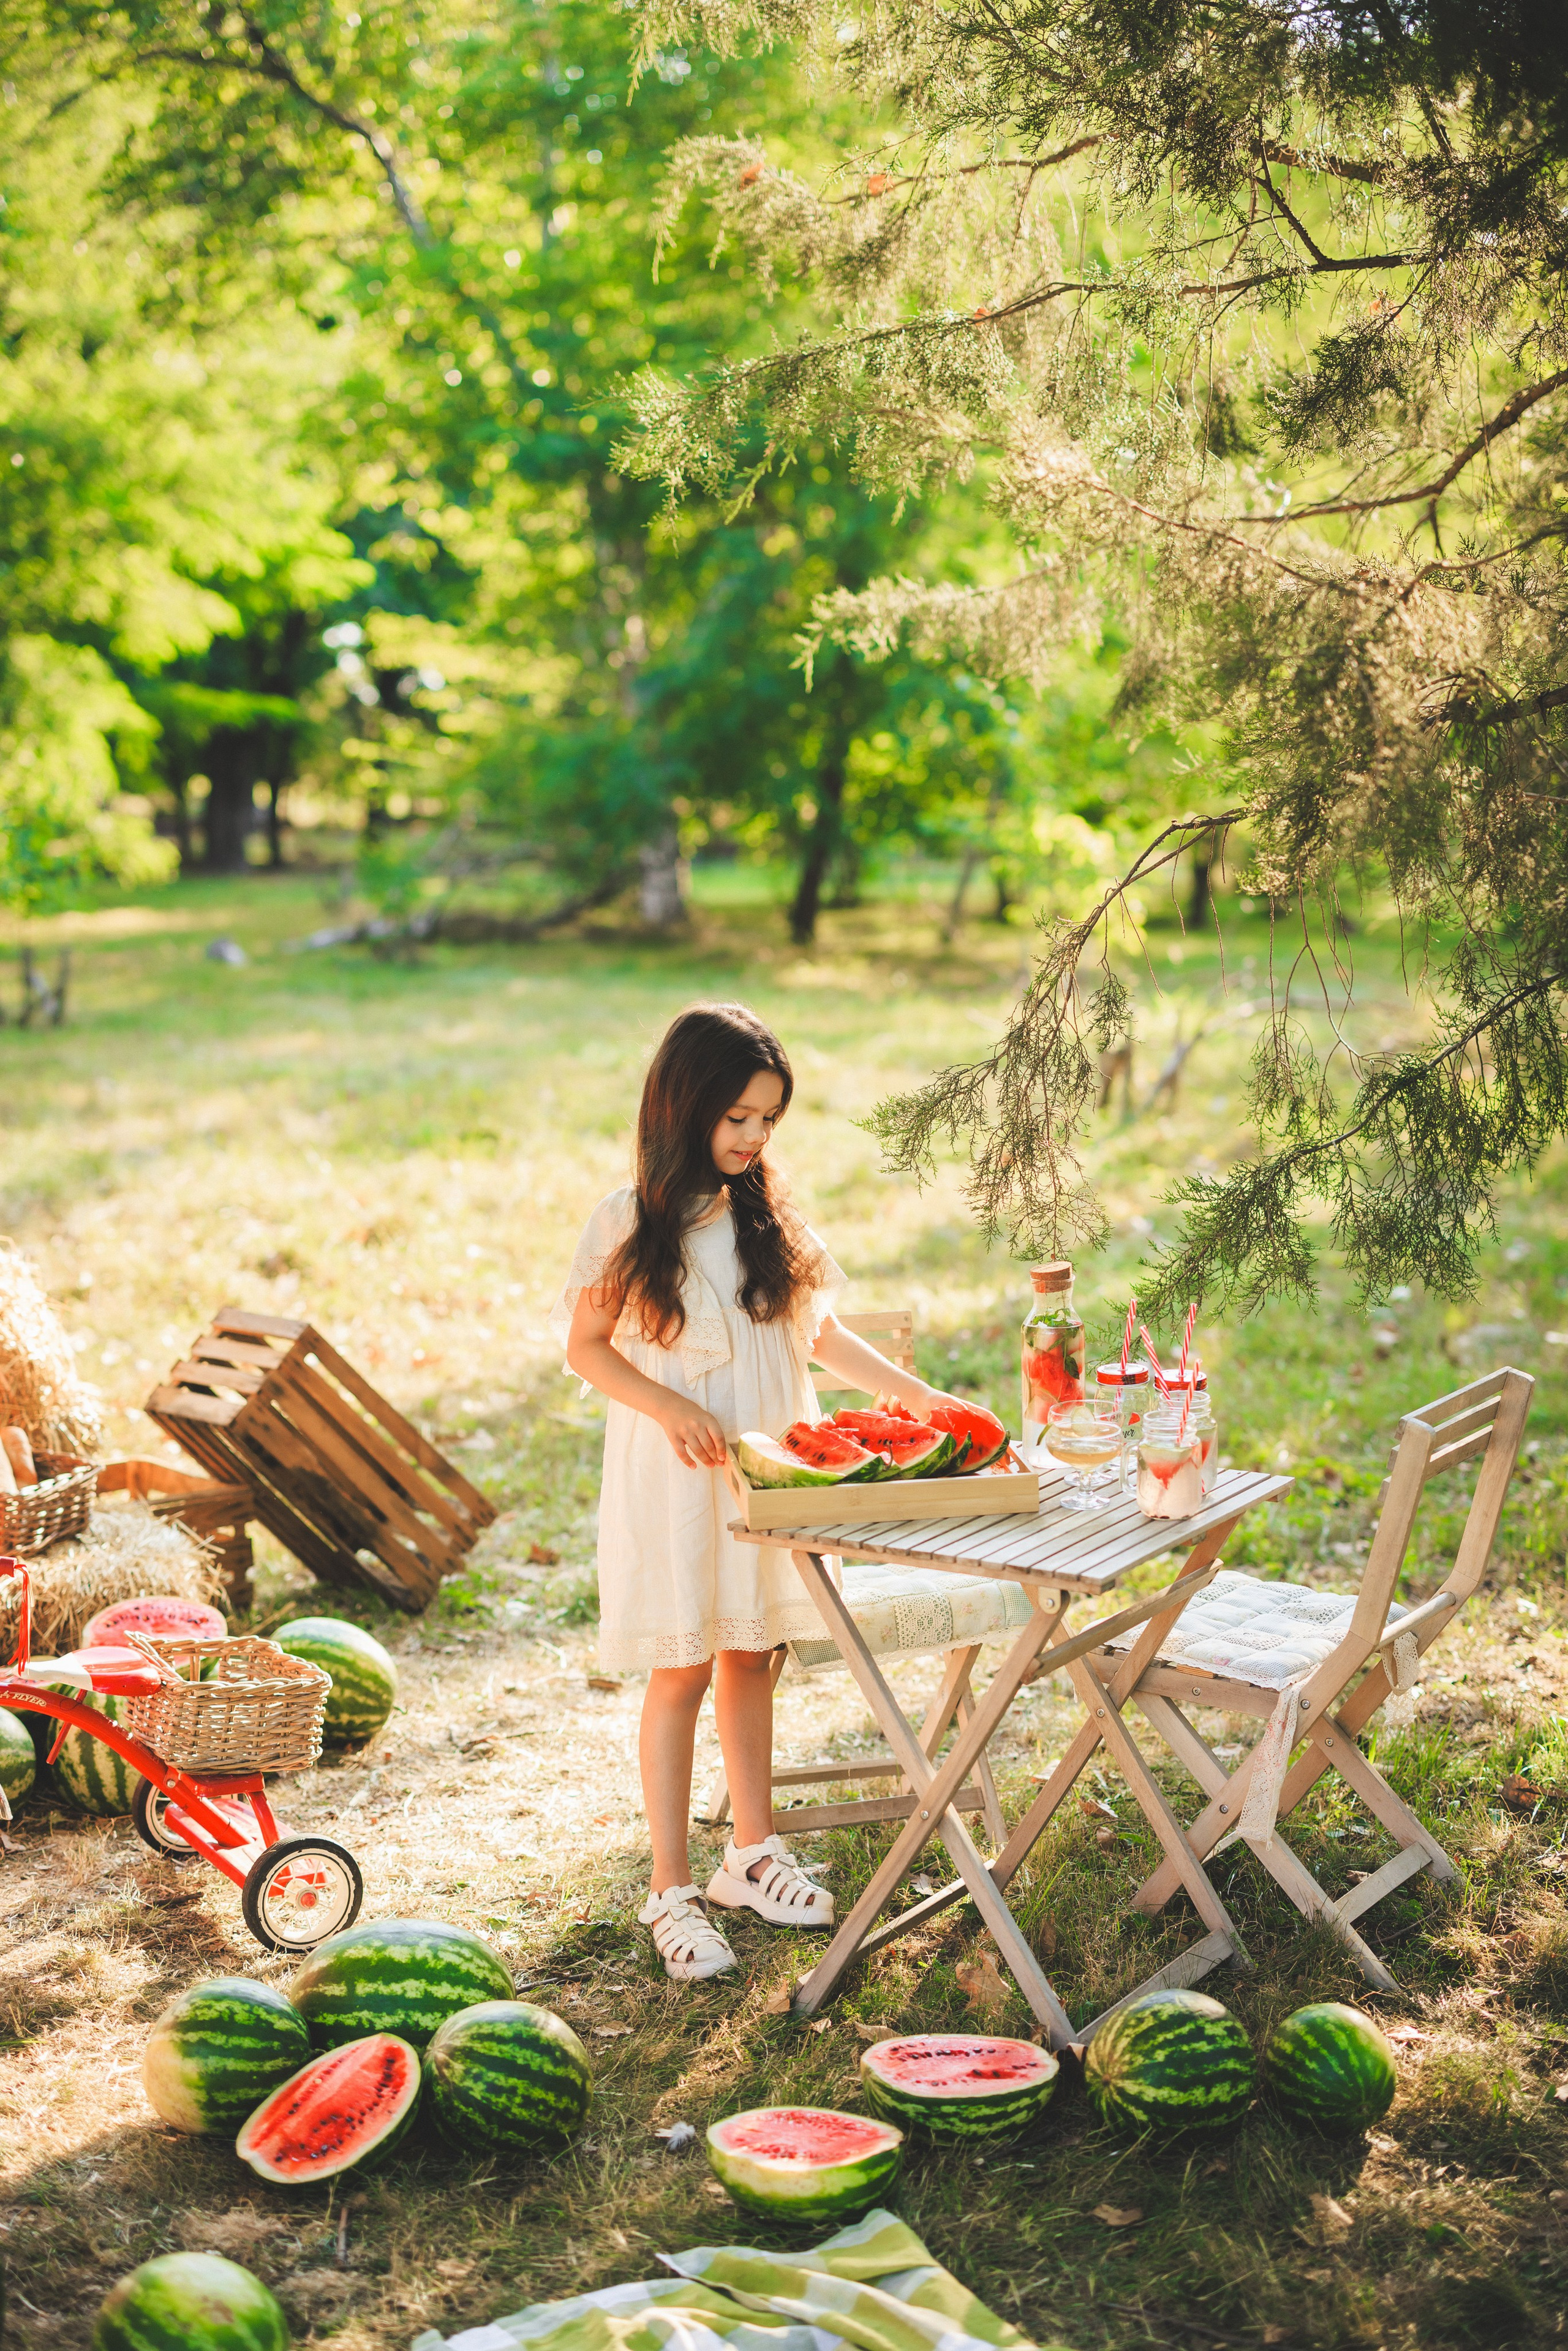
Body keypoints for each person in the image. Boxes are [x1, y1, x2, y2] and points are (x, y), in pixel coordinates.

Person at [551, 1002, 971, 1983]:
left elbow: (818, 1331)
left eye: (769, 1119)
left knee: (754, 1654)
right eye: (737, 1115)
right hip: (677, 1479)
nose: (752, 1136)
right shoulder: (628, 1219)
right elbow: (585, 1349)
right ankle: (670, 1885)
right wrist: (663, 1403)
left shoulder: (767, 1212)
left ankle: (751, 1851)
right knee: (684, 1668)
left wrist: (915, 1395)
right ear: (685, 1103)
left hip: (771, 1472)